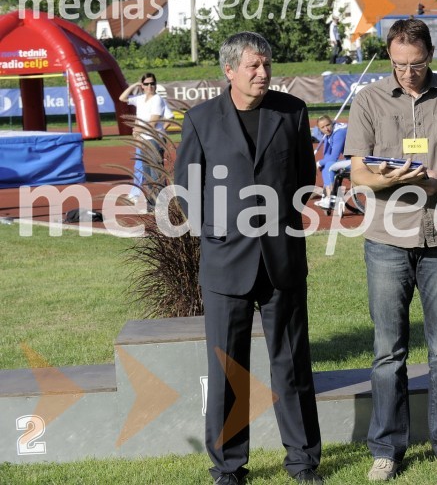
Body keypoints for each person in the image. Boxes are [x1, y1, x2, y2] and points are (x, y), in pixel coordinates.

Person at [174, 32, 324, 485]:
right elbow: (187, 191)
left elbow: (303, 176)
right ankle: (228, 466)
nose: (263, 73)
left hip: (281, 261)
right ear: (230, 71)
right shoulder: (201, 119)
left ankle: (302, 461)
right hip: (225, 263)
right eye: (254, 66)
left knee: (292, 363)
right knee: (227, 370)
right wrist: (218, 235)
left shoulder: (292, 112)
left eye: (267, 65)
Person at [344, 18, 437, 481]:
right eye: (400, 64)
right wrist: (384, 179)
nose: (408, 72)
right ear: (390, 57)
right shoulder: (369, 99)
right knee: (389, 350)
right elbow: (357, 173)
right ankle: (387, 449)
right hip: (387, 239)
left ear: (431, 55)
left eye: (418, 63)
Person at [119, 73, 172, 208]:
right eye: (147, 84)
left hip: (153, 140)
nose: (150, 86)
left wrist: (138, 131)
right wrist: (133, 86)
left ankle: (162, 203)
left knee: (156, 173)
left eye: (152, 83)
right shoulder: (140, 99)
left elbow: (153, 121)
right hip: (144, 140)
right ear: (142, 86)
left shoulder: (157, 99)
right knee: (147, 173)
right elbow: (122, 98)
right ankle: (152, 201)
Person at [313, 115, 347, 210]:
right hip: (349, 160)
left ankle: (330, 198)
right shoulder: (329, 134)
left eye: (328, 125)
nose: (326, 129)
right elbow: (327, 155)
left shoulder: (340, 132)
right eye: (322, 127)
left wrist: (318, 163)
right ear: (319, 129)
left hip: (356, 160)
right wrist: (321, 164)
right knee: (326, 165)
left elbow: (333, 156)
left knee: (329, 165)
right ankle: (327, 197)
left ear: (332, 123)